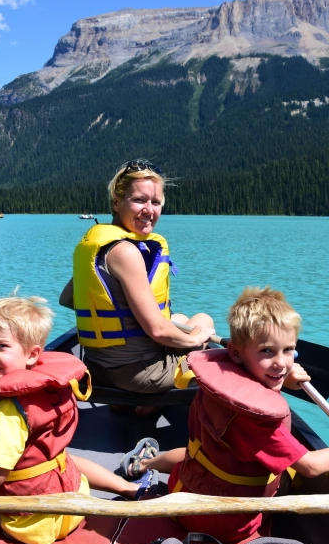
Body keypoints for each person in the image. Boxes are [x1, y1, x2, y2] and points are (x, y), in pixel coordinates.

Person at [121, 286, 329, 543]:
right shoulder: (258, 419)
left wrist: (280, 380)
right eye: (267, 351)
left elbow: (249, 385)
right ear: (237, 353)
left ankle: (143, 464)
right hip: (226, 525)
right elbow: (310, 466)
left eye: (288, 351)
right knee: (289, 473)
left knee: (196, 453)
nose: (281, 363)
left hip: (182, 494)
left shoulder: (217, 380)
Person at [0, 290, 150, 544]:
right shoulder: (52, 385)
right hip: (73, 504)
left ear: (32, 355)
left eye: (1, 346)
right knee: (59, 459)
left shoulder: (9, 411)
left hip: (32, 526)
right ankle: (130, 489)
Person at [59, 159, 215, 414]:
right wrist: (197, 338)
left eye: (156, 202)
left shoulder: (97, 246)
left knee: (181, 318)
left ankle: (125, 403)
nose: (149, 210)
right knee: (202, 320)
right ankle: (146, 406)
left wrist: (121, 309)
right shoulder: (125, 252)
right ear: (116, 202)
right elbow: (157, 330)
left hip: (97, 369)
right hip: (140, 374)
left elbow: (67, 299)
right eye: (139, 200)